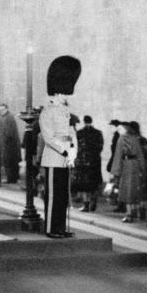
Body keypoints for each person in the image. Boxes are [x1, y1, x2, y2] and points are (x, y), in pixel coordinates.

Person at [39, 57, 81, 237]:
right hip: (53, 158)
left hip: (65, 159)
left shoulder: (65, 110)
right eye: (64, 93)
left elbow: (71, 133)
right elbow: (48, 137)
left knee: (63, 197)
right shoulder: (48, 110)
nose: (66, 95)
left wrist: (73, 151)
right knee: (53, 197)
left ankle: (61, 227)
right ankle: (50, 228)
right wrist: (64, 150)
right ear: (57, 92)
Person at [111, 121, 147, 223]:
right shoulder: (135, 138)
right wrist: (142, 168)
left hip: (126, 166)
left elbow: (118, 155)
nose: (118, 131)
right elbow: (140, 155)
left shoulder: (122, 139)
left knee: (127, 190)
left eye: (120, 129)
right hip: (135, 166)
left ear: (125, 129)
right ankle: (136, 211)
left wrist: (115, 171)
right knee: (135, 190)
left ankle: (129, 214)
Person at [73, 115, 104, 212]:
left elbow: (75, 147)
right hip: (94, 162)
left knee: (83, 185)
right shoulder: (98, 133)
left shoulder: (79, 133)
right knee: (93, 184)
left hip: (82, 162)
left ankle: (86, 205)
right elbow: (100, 147)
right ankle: (93, 202)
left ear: (84, 121)